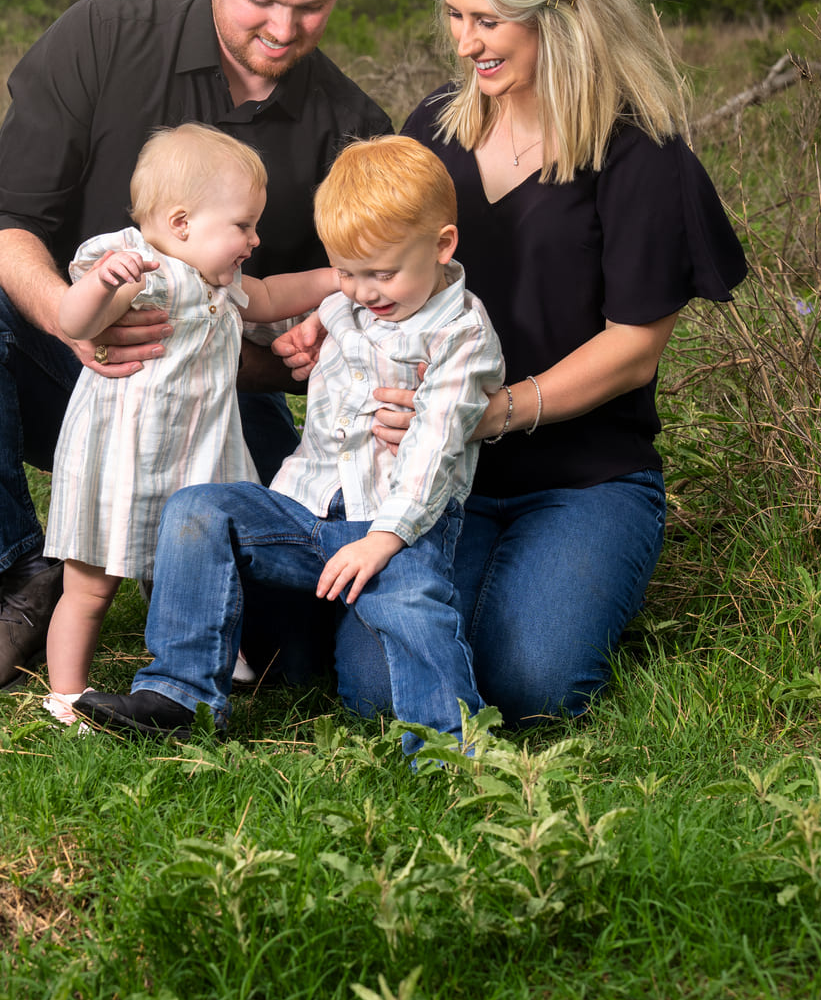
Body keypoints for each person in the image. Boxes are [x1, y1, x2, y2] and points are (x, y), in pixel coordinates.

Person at [0, 0, 391, 692]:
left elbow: (362, 304)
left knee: (294, 658)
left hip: (220, 407)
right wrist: (69, 316)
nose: (282, 27)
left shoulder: (352, 127)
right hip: (72, 377)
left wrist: (320, 340)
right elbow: (3, 221)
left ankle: (191, 599)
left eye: (311, 6)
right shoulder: (101, 37)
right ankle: (22, 578)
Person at [277, 0, 748, 728]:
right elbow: (383, 264)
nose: (465, 42)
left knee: (533, 686)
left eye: (488, 21)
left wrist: (487, 413)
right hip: (428, 477)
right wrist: (338, 314)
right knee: (382, 692)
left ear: (559, 11)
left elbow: (633, 350)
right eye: (455, 16)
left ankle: (573, 581)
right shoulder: (433, 127)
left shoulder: (640, 151)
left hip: (582, 476)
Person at [74, 135, 504, 752]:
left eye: (381, 274)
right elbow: (265, 305)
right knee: (198, 509)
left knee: (412, 605)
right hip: (305, 511)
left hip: (397, 522)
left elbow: (436, 445)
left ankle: (450, 748)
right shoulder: (349, 304)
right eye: (348, 273)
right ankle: (179, 693)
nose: (364, 292)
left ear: (443, 246)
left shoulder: (462, 333)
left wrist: (384, 538)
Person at [41, 125, 338, 723]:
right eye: (244, 225)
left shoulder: (220, 282)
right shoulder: (139, 269)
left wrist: (337, 279)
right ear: (182, 223)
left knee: (187, 571)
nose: (255, 239)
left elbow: (272, 296)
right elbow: (75, 320)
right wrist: (103, 283)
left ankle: (200, 655)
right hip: (122, 458)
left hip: (196, 454)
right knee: (90, 585)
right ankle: (66, 693)